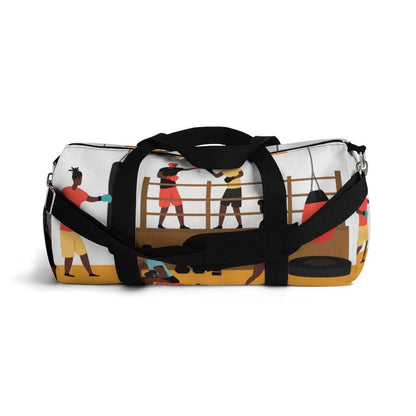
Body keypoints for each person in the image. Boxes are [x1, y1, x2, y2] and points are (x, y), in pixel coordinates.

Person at [60, 167, 112, 277]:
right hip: (65, 229)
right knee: (69, 254)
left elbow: (90, 199)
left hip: (75, 229)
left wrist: (101, 198)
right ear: (76, 179)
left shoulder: (78, 192)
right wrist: (102, 198)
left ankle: (90, 273)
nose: (81, 181)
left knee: (82, 252)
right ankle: (66, 273)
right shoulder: (65, 190)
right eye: (80, 179)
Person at [157, 162, 197, 229]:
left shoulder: (176, 169)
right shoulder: (163, 169)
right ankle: (160, 224)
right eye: (173, 165)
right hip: (164, 189)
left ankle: (182, 225)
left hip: (173, 188)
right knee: (165, 207)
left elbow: (185, 169)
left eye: (175, 165)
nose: (174, 166)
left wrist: (195, 168)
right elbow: (159, 175)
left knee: (179, 205)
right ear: (169, 164)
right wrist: (168, 177)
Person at [356, 197, 369, 263]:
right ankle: (355, 258)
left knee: (367, 241)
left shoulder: (366, 199)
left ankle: (363, 258)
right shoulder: (359, 200)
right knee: (360, 245)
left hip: (366, 224)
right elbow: (357, 211)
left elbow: (368, 201)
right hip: (361, 226)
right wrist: (363, 213)